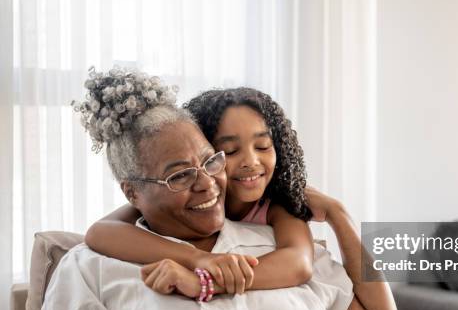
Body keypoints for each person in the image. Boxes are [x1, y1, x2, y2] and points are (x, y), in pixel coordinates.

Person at [40, 67, 403, 310]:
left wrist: (341, 217)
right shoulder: (88, 267)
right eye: (180, 175)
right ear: (132, 192)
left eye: (210, 162)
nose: (207, 184)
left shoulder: (277, 240)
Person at [85, 87, 315, 294]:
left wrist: (206, 282)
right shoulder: (167, 200)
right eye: (231, 151)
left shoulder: (276, 204)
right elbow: (100, 232)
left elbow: (299, 262)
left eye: (263, 146)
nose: (250, 162)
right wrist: (199, 259)